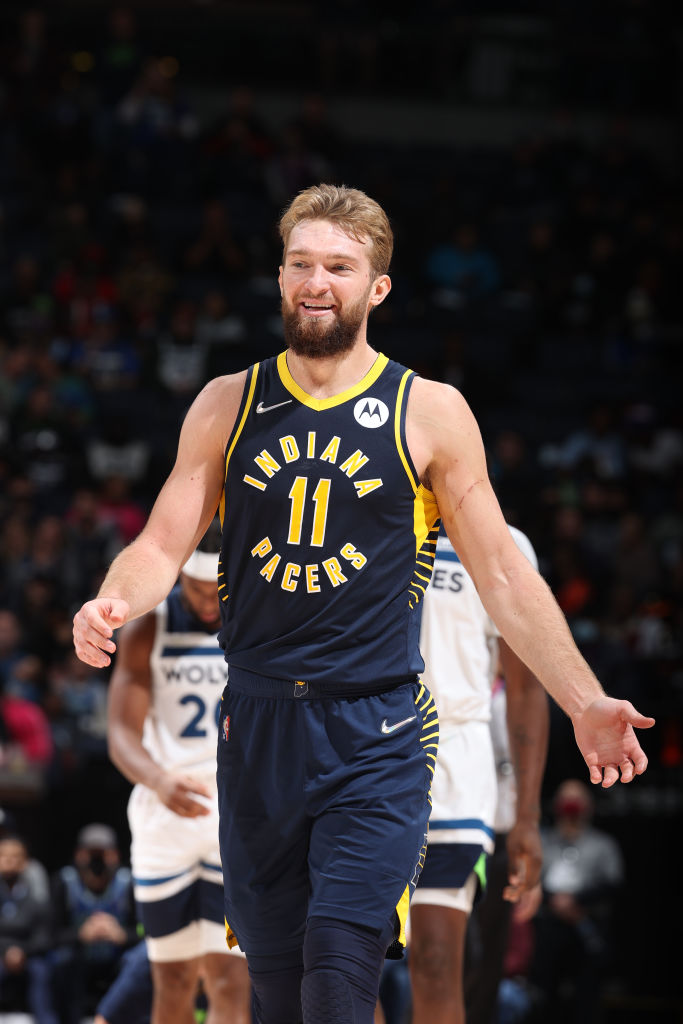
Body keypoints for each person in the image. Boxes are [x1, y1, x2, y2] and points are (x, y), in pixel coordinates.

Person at [73, 183, 654, 1024]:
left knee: (338, 978)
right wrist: (111, 600)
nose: (317, 282)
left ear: (377, 287)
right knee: (278, 995)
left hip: (375, 731)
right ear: (279, 276)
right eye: (301, 264)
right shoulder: (227, 402)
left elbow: (501, 572)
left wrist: (585, 698)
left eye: (339, 268)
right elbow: (161, 544)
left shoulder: (430, 411)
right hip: (256, 726)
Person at [105, 521, 251, 1024]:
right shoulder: (150, 625)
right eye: (195, 588)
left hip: (232, 819)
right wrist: (158, 779)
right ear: (179, 577)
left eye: (216, 590)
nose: (208, 601)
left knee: (230, 980)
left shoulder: (255, 622)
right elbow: (121, 734)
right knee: (171, 981)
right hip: (164, 816)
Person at [408, 526, 549, 1024]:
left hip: (456, 760)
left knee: (436, 963)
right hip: (362, 748)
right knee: (343, 964)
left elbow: (526, 686)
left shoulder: (503, 541)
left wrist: (527, 817)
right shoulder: (366, 510)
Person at [527, 778, 625, 1024]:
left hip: (587, 926)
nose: (571, 804)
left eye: (577, 799)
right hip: (547, 927)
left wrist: (576, 902)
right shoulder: (542, 841)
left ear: (589, 805)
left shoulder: (603, 844)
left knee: (586, 998)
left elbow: (612, 883)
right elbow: (531, 879)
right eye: (566, 799)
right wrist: (555, 902)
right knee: (544, 996)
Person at [50, 822, 138, 1024]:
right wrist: (80, 934)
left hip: (117, 957)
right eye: (91, 853)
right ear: (79, 855)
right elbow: (51, 934)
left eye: (103, 854)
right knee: (60, 960)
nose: (96, 861)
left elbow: (145, 932)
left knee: (137, 962)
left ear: (115, 855)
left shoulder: (129, 882)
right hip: (79, 959)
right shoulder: (64, 882)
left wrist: (123, 935)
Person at [0, 833, 57, 1024]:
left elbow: (44, 937)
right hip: (1, 954)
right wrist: (6, 952)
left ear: (25, 862)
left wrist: (22, 952)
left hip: (28, 956)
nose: (9, 861)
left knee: (42, 971)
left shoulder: (37, 898)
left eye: (15, 856)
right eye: (4, 856)